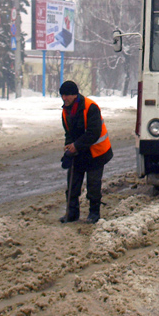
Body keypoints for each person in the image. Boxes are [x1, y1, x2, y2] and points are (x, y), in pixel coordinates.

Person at [59, 81, 113, 224]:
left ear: (75, 94)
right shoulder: (65, 111)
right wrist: (68, 146)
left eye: (67, 95)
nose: (64, 98)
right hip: (79, 152)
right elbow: (69, 133)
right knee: (72, 184)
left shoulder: (90, 107)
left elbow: (93, 133)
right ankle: (71, 213)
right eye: (62, 95)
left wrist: (76, 146)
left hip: (96, 153)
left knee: (93, 185)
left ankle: (94, 214)